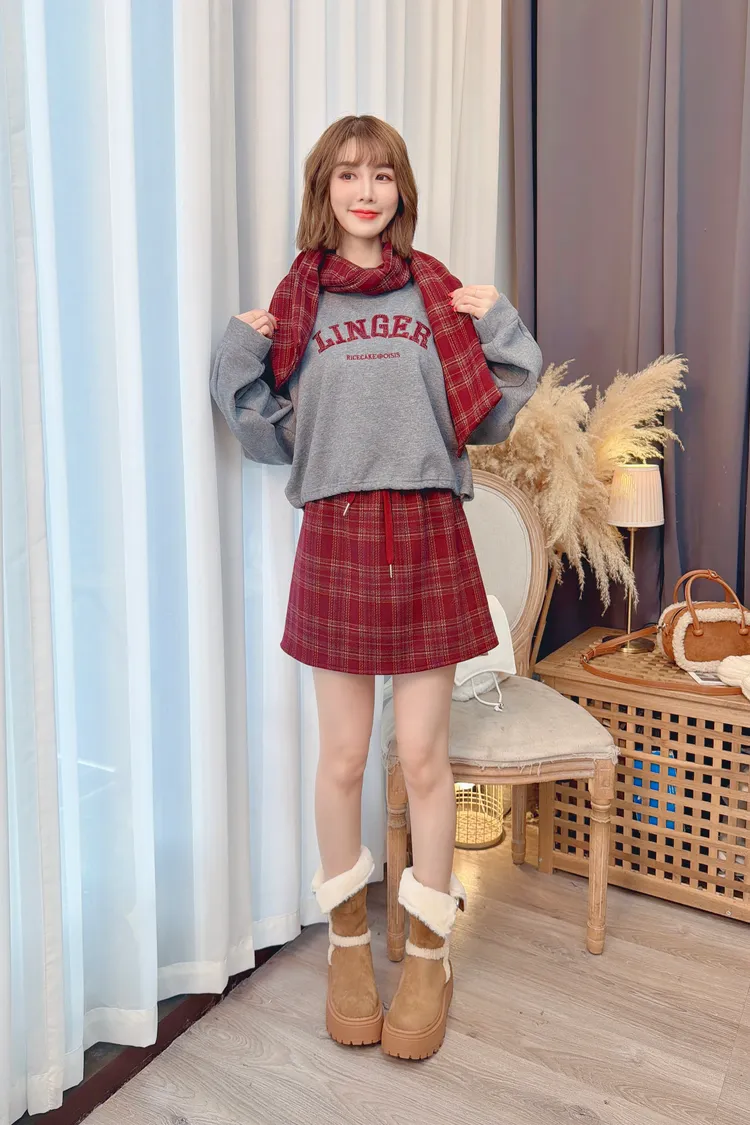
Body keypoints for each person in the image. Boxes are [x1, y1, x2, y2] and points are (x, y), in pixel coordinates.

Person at [210, 115, 542, 1060]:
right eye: (349, 174)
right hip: (339, 532)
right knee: (344, 758)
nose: (366, 190)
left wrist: (499, 320)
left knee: (425, 757)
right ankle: (349, 946)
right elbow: (266, 429)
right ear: (326, 188)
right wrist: (237, 352)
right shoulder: (299, 302)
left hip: (430, 528)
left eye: (382, 173)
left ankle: (430, 952)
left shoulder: (435, 290)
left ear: (401, 189)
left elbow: (496, 410)